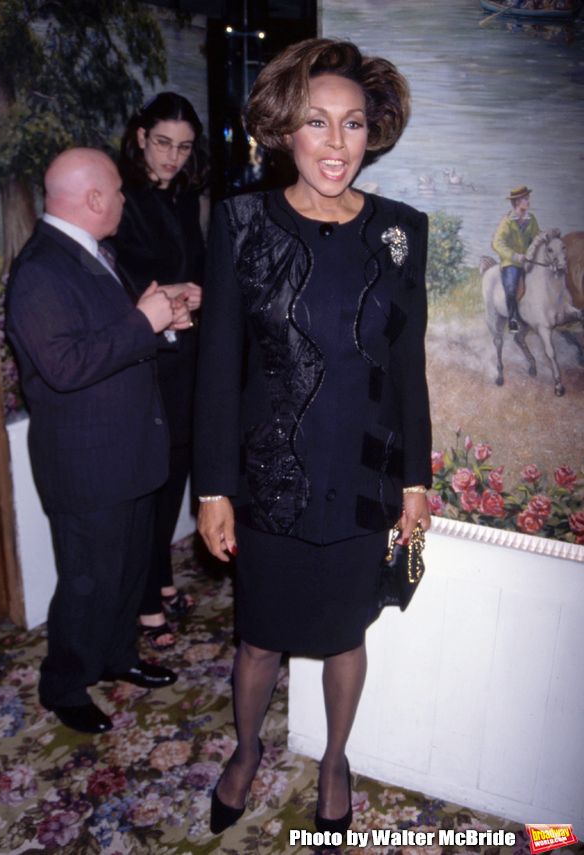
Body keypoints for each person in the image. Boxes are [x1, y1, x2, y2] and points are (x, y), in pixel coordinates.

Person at [193, 38, 432, 836]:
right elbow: (218, 367)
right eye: (317, 123)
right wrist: (215, 486)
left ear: (374, 131)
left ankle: (334, 759)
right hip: (269, 482)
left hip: (362, 479)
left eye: (354, 124)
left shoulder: (401, 232)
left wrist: (415, 480)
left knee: (342, 635)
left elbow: (408, 368)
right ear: (284, 131)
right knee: (260, 639)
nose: (337, 144)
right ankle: (247, 749)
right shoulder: (241, 224)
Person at [6, 148, 190, 734]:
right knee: (87, 581)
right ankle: (64, 683)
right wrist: (144, 322)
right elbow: (64, 366)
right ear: (92, 199)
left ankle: (116, 658)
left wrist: (163, 322)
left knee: (128, 570)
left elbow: (113, 338)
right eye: (115, 190)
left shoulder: (93, 253)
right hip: (87, 463)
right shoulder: (41, 269)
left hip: (127, 451)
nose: (122, 200)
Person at [111, 93, 207, 650]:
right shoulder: (124, 198)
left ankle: (162, 578)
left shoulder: (182, 196)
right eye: (164, 143)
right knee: (153, 478)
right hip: (146, 358)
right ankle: (146, 600)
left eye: (185, 147)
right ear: (142, 136)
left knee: (178, 468)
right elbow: (123, 279)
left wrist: (197, 293)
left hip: (184, 352)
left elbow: (195, 268)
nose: (173, 157)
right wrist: (174, 293)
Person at [492, 185, 540, 332]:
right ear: (517, 202)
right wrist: (514, 256)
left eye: (528, 198)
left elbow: (536, 237)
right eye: (525, 199)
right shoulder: (507, 222)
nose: (528, 202)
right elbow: (497, 243)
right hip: (511, 263)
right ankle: (513, 319)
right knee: (511, 289)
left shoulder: (531, 219)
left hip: (528, 261)